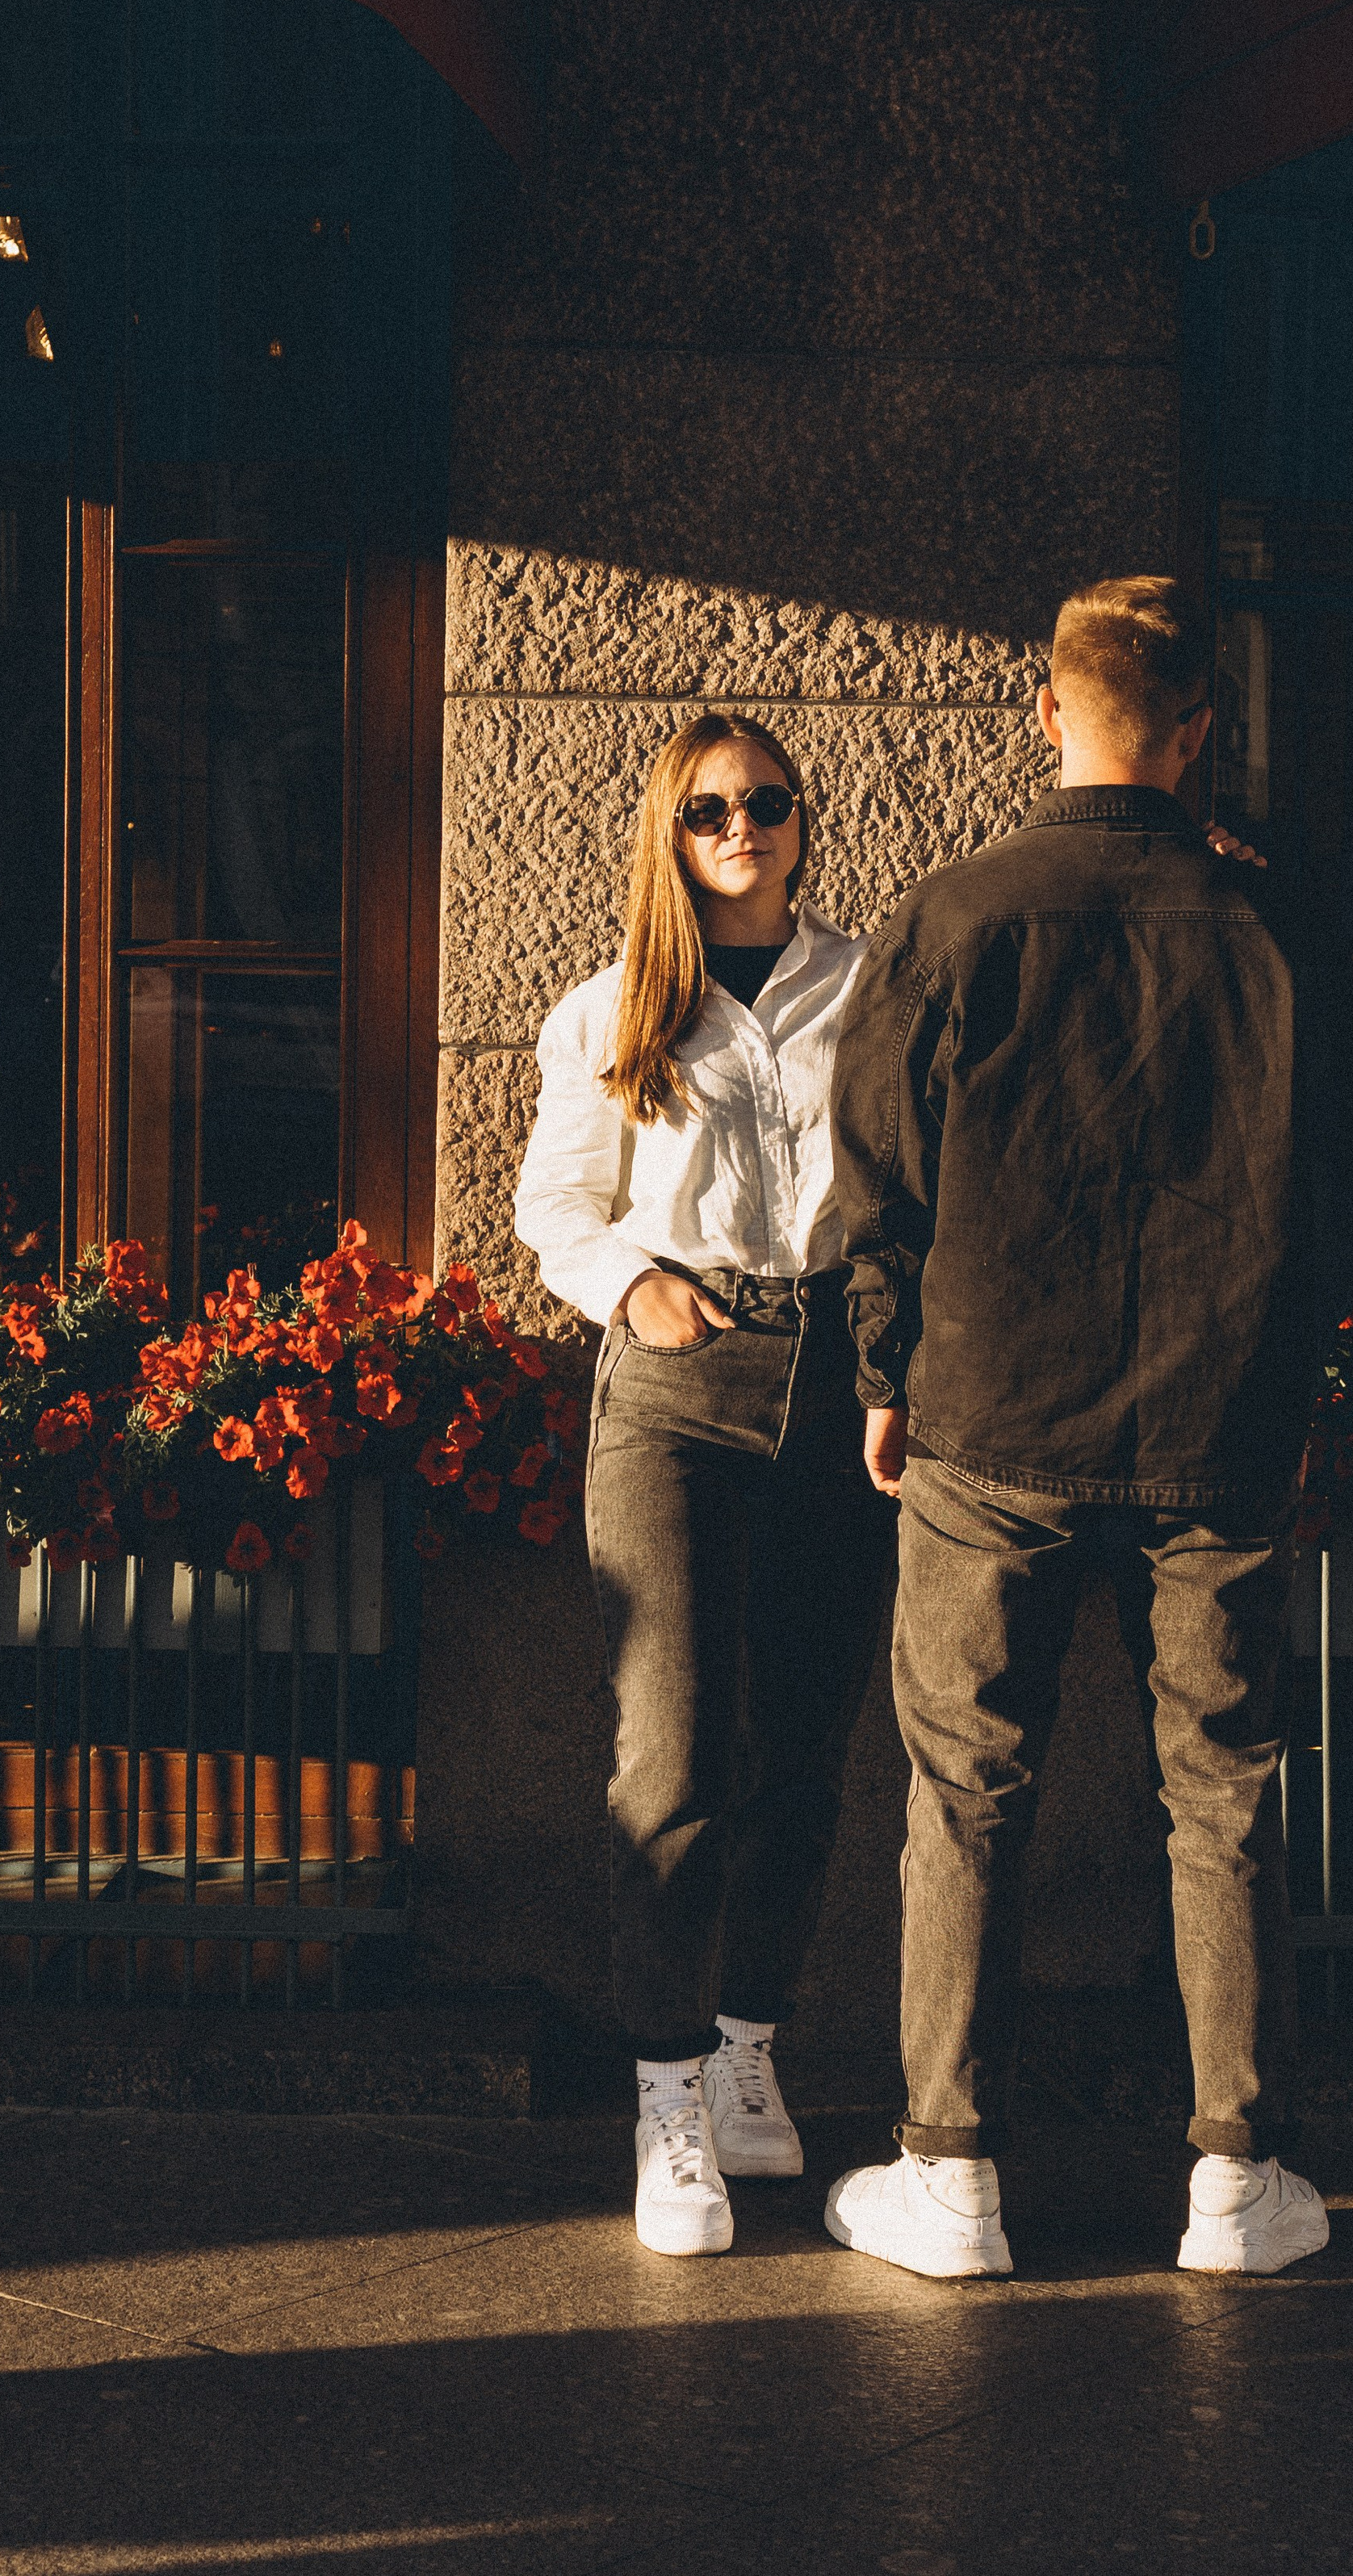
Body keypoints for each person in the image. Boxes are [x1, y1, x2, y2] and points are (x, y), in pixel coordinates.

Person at [824, 575, 1353, 2283]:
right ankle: (1232, 2176)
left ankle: (950, 2171)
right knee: (1220, 1796)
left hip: (990, 1426)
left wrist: (883, 1376)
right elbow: (1345, 1199)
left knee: (965, 1793)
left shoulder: (957, 913)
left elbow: (874, 1184)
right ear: (1201, 725)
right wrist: (1292, 1402)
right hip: (1219, 1431)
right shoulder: (1277, 929)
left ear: (1045, 714)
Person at [513, 712, 894, 2258]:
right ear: (669, 832)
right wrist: (630, 1286)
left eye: (768, 804)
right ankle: (665, 2099)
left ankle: (748, 2048)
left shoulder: (868, 989)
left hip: (838, 1391)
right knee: (669, 1752)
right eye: (709, 809)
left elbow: (906, 1195)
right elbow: (555, 1203)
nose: (741, 827)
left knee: (804, 1740)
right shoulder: (611, 1008)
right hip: (676, 1387)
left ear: (804, 822)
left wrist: (895, 1372)